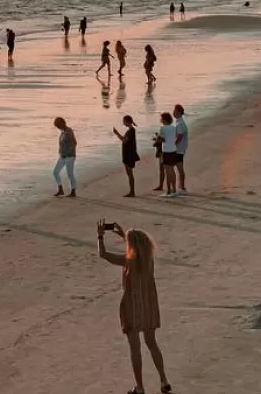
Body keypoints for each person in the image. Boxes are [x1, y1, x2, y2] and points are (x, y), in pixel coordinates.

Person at [97, 223, 172, 394]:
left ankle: (140, 386)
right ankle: (163, 380)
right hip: (149, 305)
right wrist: (126, 236)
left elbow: (103, 254)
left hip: (132, 306)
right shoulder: (149, 261)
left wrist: (100, 236)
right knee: (152, 343)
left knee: (135, 348)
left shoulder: (127, 261)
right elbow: (138, 249)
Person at [114, 115, 140, 197]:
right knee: (129, 174)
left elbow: (124, 140)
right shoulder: (131, 130)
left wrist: (116, 133)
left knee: (130, 173)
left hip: (129, 155)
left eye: (124, 121)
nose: (123, 122)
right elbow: (124, 140)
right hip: (128, 154)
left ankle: (132, 192)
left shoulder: (131, 131)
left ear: (127, 121)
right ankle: (132, 191)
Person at [53, 117, 78, 198]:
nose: (57, 128)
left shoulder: (69, 131)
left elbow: (74, 143)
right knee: (55, 172)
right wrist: (60, 152)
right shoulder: (63, 132)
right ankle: (60, 189)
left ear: (61, 124)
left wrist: (68, 153)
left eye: (57, 126)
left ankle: (73, 191)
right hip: (62, 156)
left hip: (69, 156)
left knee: (70, 174)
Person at [154, 112, 178, 195]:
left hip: (166, 151)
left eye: (161, 119)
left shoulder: (163, 128)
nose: (161, 120)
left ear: (164, 119)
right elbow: (173, 138)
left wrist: (157, 139)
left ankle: (169, 190)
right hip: (173, 150)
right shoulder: (174, 128)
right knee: (172, 170)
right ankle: (174, 188)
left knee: (168, 171)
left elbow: (161, 140)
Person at [171, 104, 189, 194]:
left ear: (178, 112)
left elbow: (179, 137)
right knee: (179, 167)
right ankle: (181, 186)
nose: (173, 112)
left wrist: (172, 145)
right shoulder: (179, 122)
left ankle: (181, 187)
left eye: (174, 111)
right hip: (180, 148)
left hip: (179, 149)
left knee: (177, 167)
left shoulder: (180, 123)